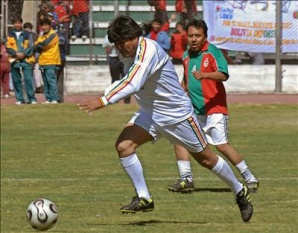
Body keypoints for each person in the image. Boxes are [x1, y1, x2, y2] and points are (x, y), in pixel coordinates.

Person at [78, 15, 253, 222]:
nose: (119, 47)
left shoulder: (148, 50)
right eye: (116, 42)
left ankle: (239, 190)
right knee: (124, 146)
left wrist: (104, 99)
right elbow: (129, 79)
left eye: (122, 41)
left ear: (134, 36)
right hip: (150, 113)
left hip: (176, 115)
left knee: (206, 159)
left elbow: (133, 82)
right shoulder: (126, 51)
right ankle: (144, 197)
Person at [167, 19, 259, 194]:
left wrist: (204, 75)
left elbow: (224, 75)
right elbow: (186, 81)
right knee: (180, 138)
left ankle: (249, 176)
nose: (193, 39)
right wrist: (177, 93)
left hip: (214, 109)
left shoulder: (212, 52)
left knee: (222, 145)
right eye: (191, 35)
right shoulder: (186, 56)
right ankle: (186, 179)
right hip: (196, 111)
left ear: (205, 37)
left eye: (198, 36)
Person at [5, 16, 37, 104]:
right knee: (16, 80)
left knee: (28, 80)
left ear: (21, 23)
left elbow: (31, 46)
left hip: (26, 59)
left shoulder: (28, 34)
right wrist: (16, 54)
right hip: (15, 60)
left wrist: (24, 54)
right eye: (15, 23)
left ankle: (32, 99)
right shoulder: (10, 35)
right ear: (13, 24)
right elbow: (8, 47)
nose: (17, 24)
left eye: (19, 23)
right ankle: (20, 99)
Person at [35, 18, 61, 104]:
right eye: (43, 25)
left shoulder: (53, 35)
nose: (44, 27)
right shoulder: (42, 36)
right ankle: (48, 98)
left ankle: (54, 98)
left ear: (50, 26)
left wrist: (38, 45)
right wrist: (38, 45)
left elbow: (44, 44)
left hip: (51, 60)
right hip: (43, 61)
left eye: (46, 25)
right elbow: (37, 45)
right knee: (45, 82)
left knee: (51, 81)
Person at [102, 35, 130, 104]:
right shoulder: (109, 36)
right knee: (114, 79)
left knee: (126, 78)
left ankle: (127, 99)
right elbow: (107, 47)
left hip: (124, 58)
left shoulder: (124, 34)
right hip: (114, 58)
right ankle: (114, 98)